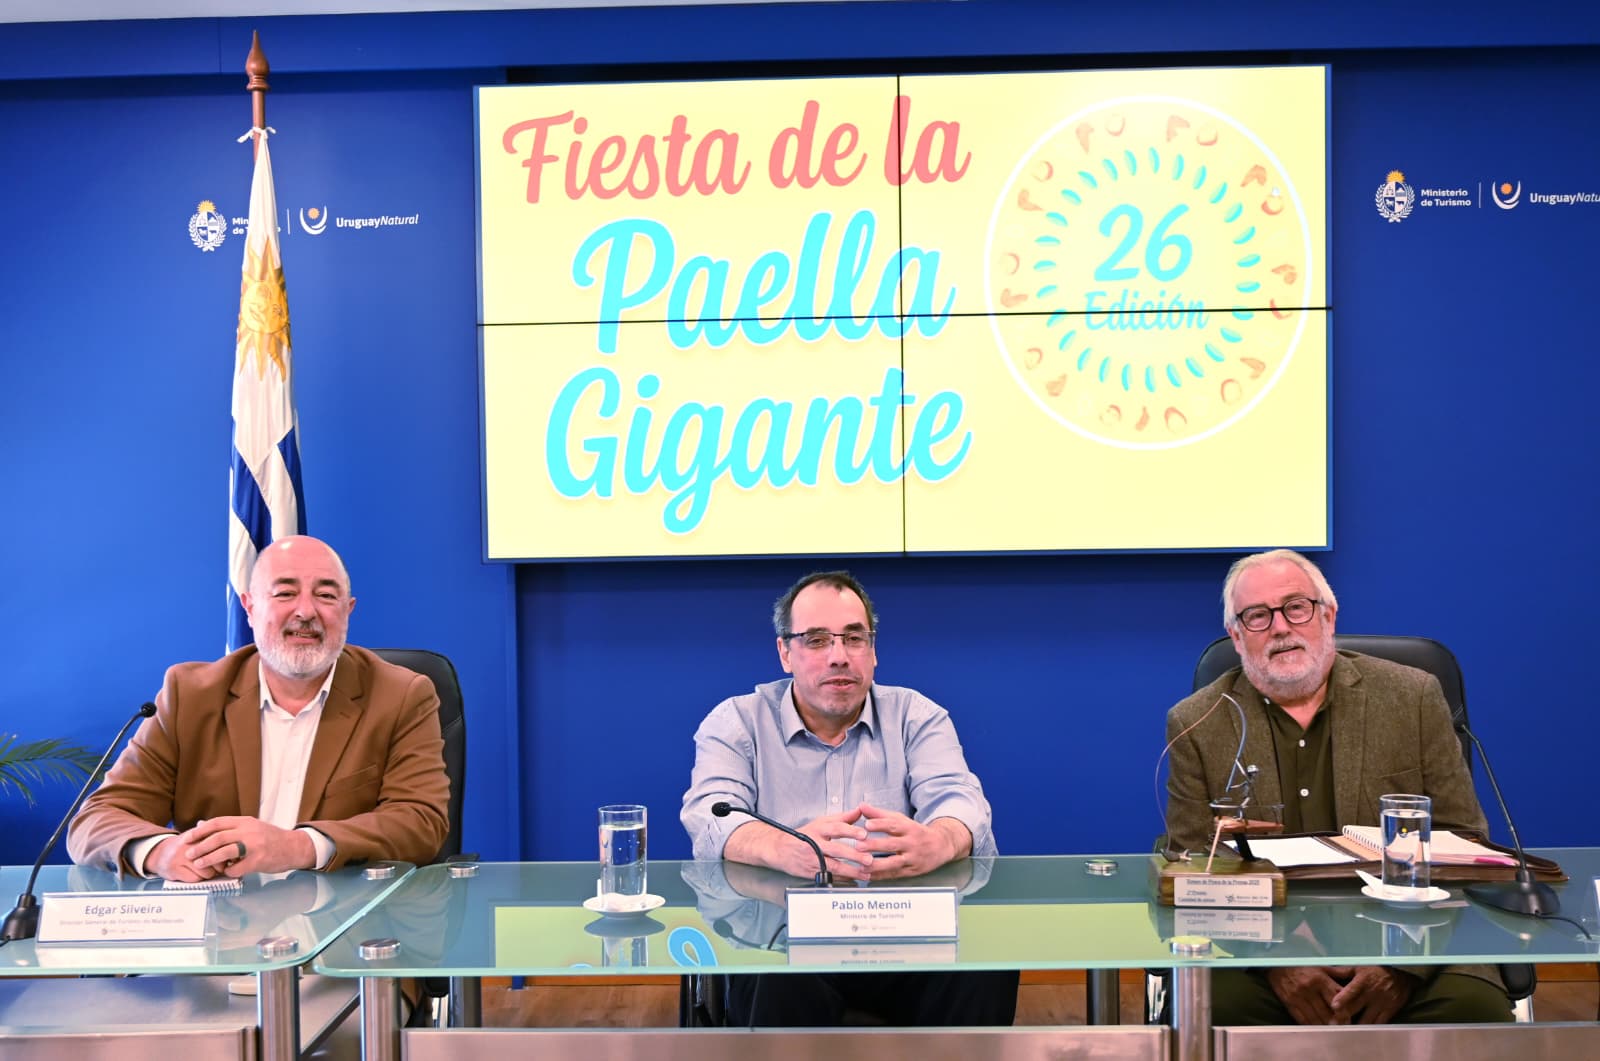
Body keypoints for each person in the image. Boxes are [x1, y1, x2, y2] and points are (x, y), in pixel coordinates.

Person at [1163, 548, 1512, 1025]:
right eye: (1257, 616)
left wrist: (1402, 965)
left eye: (1296, 607)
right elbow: (1192, 866)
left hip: (1414, 936)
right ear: (1237, 636)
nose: (1280, 627)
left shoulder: (1413, 697)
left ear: (1328, 615)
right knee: (1212, 1012)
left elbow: (1463, 842)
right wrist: (1275, 962)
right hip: (1255, 945)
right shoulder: (1197, 722)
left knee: (1473, 1009)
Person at [680, 570, 1017, 1026]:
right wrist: (785, 847)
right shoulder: (737, 722)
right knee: (777, 978)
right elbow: (710, 815)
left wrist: (941, 839)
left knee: (986, 969)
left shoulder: (917, 717)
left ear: (872, 652)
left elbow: (961, 801)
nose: (839, 656)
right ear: (785, 653)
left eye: (854, 639)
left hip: (902, 940)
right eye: (817, 640)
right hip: (783, 940)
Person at [68, 535, 450, 880]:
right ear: (249, 608)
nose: (306, 611)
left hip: (345, 920)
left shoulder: (401, 695)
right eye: (285, 593)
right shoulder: (190, 695)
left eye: (326, 596)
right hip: (222, 921)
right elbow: (96, 820)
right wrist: (161, 852)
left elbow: (421, 822)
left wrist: (296, 846)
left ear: (348, 610)